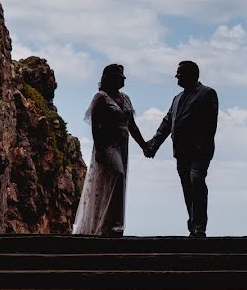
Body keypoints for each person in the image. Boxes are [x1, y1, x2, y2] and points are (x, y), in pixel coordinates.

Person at [73, 64, 151, 236]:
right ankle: (111, 224)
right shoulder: (100, 97)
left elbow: (132, 125)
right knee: (118, 175)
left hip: (123, 145)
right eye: (120, 75)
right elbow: (95, 124)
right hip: (107, 144)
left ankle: (114, 225)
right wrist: (100, 149)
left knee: (118, 182)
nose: (124, 78)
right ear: (110, 78)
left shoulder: (126, 98)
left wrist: (144, 145)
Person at [145, 61, 219, 237]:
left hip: (200, 151)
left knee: (197, 182)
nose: (176, 76)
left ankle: (199, 226)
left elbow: (210, 124)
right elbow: (167, 122)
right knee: (187, 188)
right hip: (181, 152)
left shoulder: (207, 93)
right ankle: (193, 224)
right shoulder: (177, 98)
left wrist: (202, 148)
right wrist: (154, 145)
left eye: (179, 73)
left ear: (191, 74)